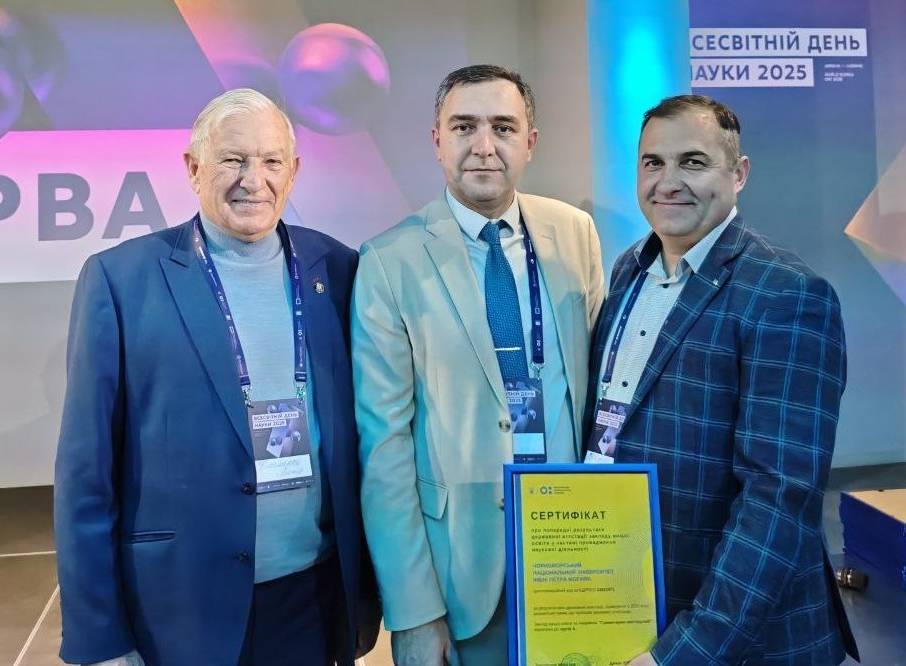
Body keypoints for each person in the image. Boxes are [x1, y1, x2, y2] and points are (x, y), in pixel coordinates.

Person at [54, 88, 380, 666]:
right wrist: (99, 638)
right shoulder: (121, 280)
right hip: (178, 609)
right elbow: (86, 475)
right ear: (193, 167)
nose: (254, 180)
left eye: (271, 161)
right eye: (233, 159)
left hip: (311, 597)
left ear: (294, 171)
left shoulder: (338, 269)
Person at [583, 94, 859, 665]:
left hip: (736, 638)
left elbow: (777, 499)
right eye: (653, 162)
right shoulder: (629, 269)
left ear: (739, 173)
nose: (668, 182)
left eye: (693, 162)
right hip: (634, 603)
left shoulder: (787, 295)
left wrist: (684, 653)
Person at [352, 64, 604, 664]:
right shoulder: (389, 260)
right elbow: (384, 447)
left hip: (578, 554)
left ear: (530, 142)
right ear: (437, 140)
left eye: (503, 127)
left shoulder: (575, 234)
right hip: (461, 574)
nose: (484, 146)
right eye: (464, 126)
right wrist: (414, 612)